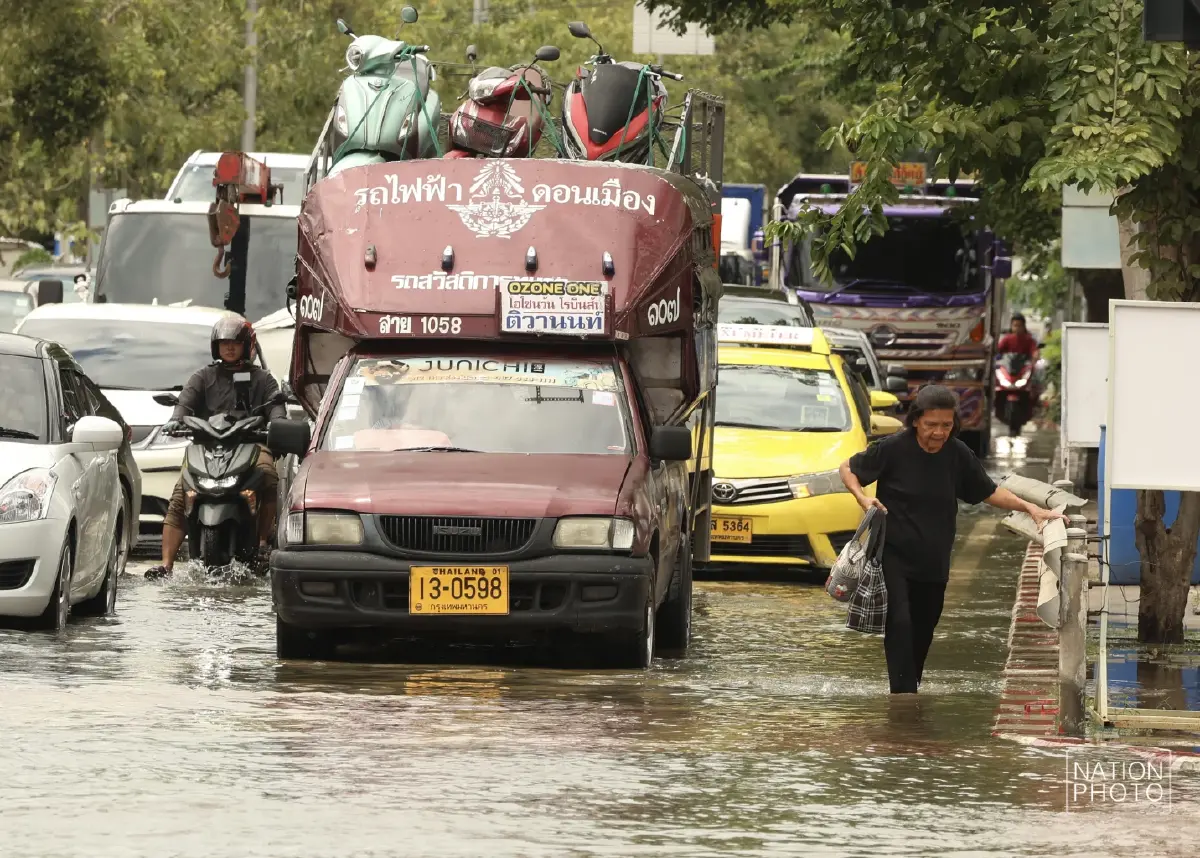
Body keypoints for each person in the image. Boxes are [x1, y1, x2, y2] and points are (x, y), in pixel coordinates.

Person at [837, 384, 1067, 695]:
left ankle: (909, 690)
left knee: (924, 627)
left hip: (934, 558)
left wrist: (1031, 508)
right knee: (900, 622)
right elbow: (848, 468)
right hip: (892, 553)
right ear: (916, 420)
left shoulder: (957, 454)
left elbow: (988, 491)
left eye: (946, 425)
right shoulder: (893, 448)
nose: (938, 432)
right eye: (931, 425)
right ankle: (903, 699)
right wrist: (862, 498)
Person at [144, 313, 285, 579]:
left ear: (248, 345)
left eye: (235, 343)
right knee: (180, 495)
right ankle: (166, 564)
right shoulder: (202, 377)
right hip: (206, 449)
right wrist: (175, 421)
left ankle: (264, 543)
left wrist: (277, 425)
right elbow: (183, 405)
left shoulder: (264, 380)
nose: (229, 348)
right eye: (223, 344)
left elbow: (277, 410)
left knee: (269, 477)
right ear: (215, 347)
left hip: (252, 447)